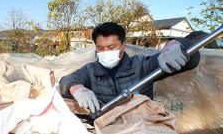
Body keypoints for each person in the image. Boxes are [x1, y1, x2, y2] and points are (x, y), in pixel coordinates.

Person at [59, 22, 201, 114]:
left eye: (111, 47)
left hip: (142, 127)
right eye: (100, 48)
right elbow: (67, 80)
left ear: (123, 46)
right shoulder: (90, 70)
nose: (105, 52)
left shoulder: (142, 65)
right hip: (106, 129)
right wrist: (76, 88)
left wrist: (175, 45)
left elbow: (191, 61)